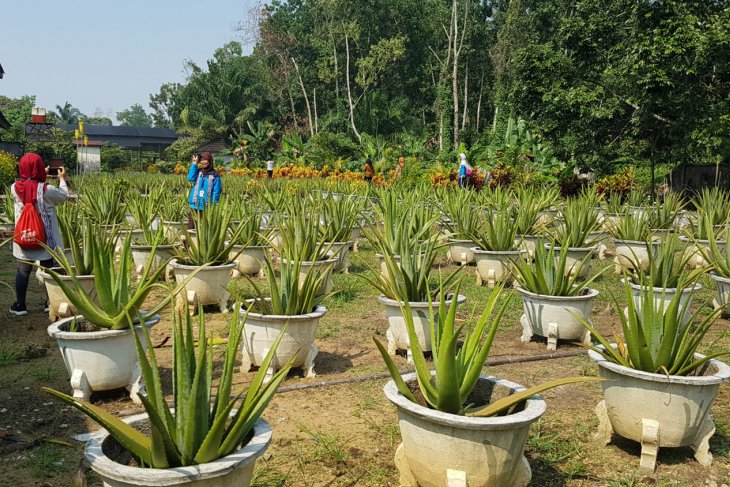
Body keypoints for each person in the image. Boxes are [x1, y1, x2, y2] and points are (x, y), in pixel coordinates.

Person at [10, 153, 69, 316]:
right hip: (44, 240)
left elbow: (28, 185)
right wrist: (62, 179)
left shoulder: (14, 188)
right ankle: (49, 302)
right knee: (49, 270)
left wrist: (35, 176)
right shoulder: (47, 190)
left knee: (23, 271)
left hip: (24, 236)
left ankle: (20, 305)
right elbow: (64, 197)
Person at [187, 151, 222, 229]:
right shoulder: (198, 171)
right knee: (191, 227)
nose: (203, 162)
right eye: (201, 160)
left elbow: (216, 192)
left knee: (204, 228)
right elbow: (190, 178)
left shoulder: (215, 175)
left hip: (206, 206)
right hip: (194, 204)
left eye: (205, 159)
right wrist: (194, 164)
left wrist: (213, 205)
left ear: (210, 160)